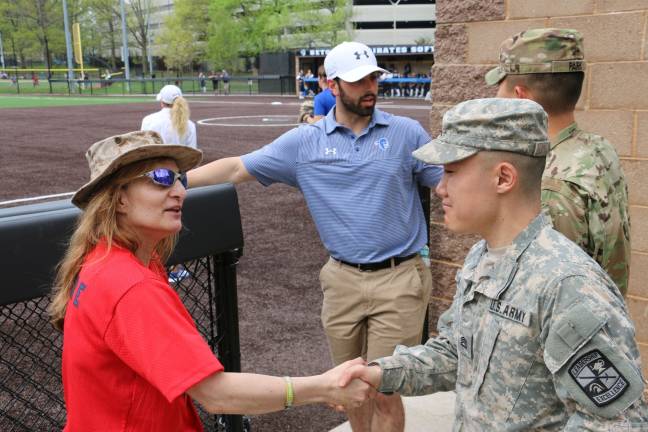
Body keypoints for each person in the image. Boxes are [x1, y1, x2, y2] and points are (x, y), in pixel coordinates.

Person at [340, 98, 648, 430]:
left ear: (503, 178)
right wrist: (379, 374)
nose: (440, 188)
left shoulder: (566, 283)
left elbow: (616, 422)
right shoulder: (481, 257)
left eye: (452, 171)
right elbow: (456, 354)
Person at [188, 40, 443, 432]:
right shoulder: (305, 143)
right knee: (349, 385)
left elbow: (447, 182)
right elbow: (236, 169)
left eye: (373, 77)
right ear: (331, 85)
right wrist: (171, 181)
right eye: (358, 81)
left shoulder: (406, 133)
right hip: (341, 280)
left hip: (400, 279)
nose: (370, 87)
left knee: (387, 387)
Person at [47, 130, 374, 431]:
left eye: (179, 179)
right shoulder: (129, 283)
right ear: (118, 199)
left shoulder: (110, 260)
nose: (179, 191)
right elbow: (216, 394)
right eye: (160, 179)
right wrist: (323, 387)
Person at [486, 28, 631, 295]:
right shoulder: (596, 148)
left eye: (500, 86)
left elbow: (547, 296)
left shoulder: (548, 184)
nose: (496, 96)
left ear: (521, 98)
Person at [141, 84, 197, 149]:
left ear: (162, 102)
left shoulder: (148, 120)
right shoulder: (189, 125)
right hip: (179, 159)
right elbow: (192, 152)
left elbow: (144, 148)